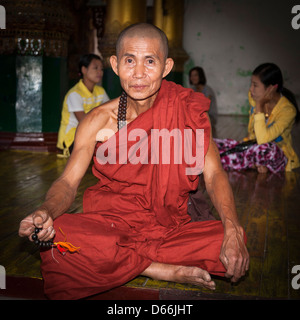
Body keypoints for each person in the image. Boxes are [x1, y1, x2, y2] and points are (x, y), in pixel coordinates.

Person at [18, 23, 249, 300]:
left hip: (170, 227)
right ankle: (158, 269)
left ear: (166, 67)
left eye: (150, 61)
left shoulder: (185, 110)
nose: (139, 73)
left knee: (227, 241)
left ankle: (125, 262)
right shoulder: (97, 121)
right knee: (61, 236)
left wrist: (233, 230)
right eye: (130, 60)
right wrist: (46, 209)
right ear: (115, 64)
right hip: (113, 225)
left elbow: (213, 175)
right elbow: (68, 182)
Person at [215, 63, 300, 173]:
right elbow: (254, 135)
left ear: (270, 89)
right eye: (251, 84)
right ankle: (252, 163)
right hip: (253, 147)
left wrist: (259, 106)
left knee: (265, 148)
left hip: (276, 154)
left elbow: (262, 140)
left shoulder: (288, 110)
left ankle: (249, 162)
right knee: (216, 144)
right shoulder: (253, 97)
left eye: (255, 85)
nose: (251, 89)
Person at [56, 53, 110, 157]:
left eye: (101, 69)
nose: (100, 72)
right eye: (95, 68)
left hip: (90, 135)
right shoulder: (74, 94)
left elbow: (111, 111)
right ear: (84, 70)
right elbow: (84, 121)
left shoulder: (100, 91)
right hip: (72, 139)